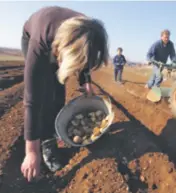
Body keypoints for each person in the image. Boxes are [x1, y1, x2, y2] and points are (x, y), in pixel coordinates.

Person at [20, 6, 109, 182]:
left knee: (59, 88)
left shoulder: (88, 30)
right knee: (44, 93)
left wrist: (86, 81)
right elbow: (31, 100)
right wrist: (31, 151)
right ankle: (46, 144)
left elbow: (85, 53)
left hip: (62, 41)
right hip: (34, 36)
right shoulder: (39, 43)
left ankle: (53, 130)